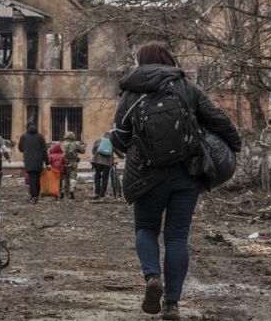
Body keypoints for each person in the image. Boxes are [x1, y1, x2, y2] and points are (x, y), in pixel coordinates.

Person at [111, 42, 241, 320]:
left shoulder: (132, 91)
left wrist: (133, 146)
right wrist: (234, 145)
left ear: (140, 62)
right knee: (177, 236)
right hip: (186, 174)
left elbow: (120, 136)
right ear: (168, 59)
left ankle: (151, 277)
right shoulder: (186, 86)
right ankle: (172, 303)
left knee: (145, 229)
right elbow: (217, 119)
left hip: (147, 176)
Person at [17, 122, 48, 204]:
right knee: (37, 178)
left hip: (28, 160)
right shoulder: (40, 136)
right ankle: (36, 195)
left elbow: (20, 148)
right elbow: (44, 150)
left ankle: (33, 196)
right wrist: (47, 162)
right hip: (39, 161)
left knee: (31, 179)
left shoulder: (24, 136)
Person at [91, 132, 122, 199]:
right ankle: (102, 194)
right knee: (105, 178)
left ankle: (97, 193)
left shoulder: (98, 141)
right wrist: (123, 156)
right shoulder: (112, 143)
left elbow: (93, 151)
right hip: (107, 163)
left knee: (97, 177)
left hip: (97, 162)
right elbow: (119, 153)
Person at [59, 131, 85, 200]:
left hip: (64, 162)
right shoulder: (75, 144)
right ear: (73, 137)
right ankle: (72, 190)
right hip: (73, 162)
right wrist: (82, 145)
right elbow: (83, 151)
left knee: (64, 177)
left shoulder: (62, 144)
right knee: (73, 177)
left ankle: (62, 192)